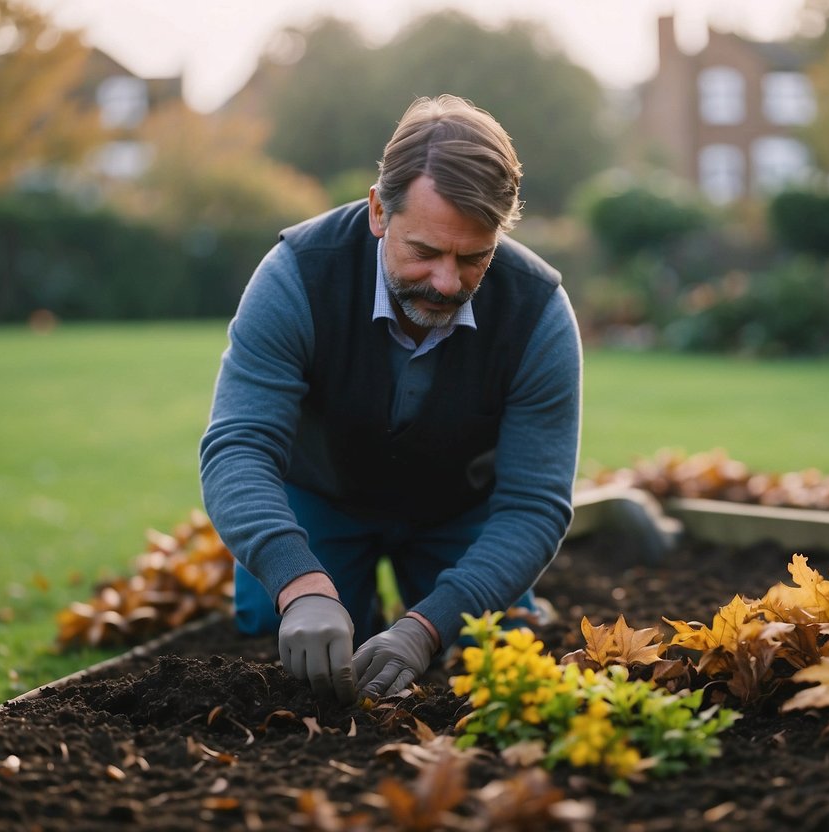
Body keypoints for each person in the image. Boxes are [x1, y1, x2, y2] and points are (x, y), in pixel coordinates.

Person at [199, 94, 582, 704]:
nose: (447, 282)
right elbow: (237, 447)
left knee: (499, 650)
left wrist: (427, 628)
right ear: (380, 211)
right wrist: (300, 585)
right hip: (322, 496)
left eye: (474, 257)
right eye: (424, 252)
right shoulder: (296, 275)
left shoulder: (539, 313)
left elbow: (534, 505)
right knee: (289, 641)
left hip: (456, 509)